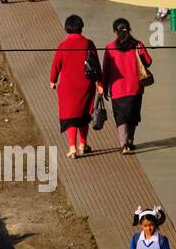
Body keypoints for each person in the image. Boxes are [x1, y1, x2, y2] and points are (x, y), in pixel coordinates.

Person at [50, 14, 99, 158]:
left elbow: (55, 65)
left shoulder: (63, 46)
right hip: (86, 85)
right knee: (84, 116)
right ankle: (83, 145)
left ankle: (72, 148)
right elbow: (96, 66)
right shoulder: (89, 44)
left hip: (68, 87)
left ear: (67, 28)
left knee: (70, 117)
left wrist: (52, 81)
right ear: (81, 27)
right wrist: (100, 83)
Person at [102, 18, 153, 154]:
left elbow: (105, 70)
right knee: (133, 115)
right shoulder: (138, 45)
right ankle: (130, 141)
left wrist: (105, 88)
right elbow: (148, 61)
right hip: (135, 88)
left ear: (115, 31)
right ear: (129, 29)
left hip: (117, 90)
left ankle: (124, 144)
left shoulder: (110, 48)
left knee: (121, 118)